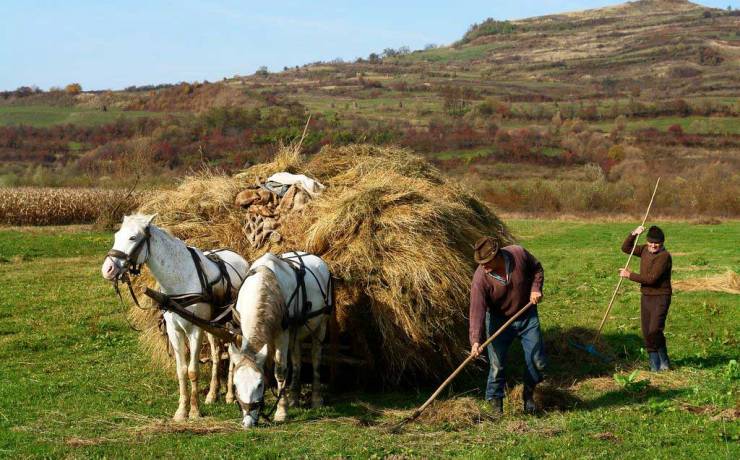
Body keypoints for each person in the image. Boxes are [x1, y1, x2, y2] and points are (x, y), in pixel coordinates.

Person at [469, 236, 545, 416]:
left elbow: (537, 268)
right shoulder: (481, 279)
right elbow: (477, 310)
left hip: (526, 316)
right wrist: (475, 340)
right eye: (480, 262)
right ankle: (495, 406)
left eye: (487, 261)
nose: (483, 266)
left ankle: (529, 397)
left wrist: (536, 288)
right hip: (498, 320)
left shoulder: (518, 254)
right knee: (497, 365)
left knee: (536, 360)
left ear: (498, 255)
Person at [619, 225, 672, 372]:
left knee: (655, 330)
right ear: (647, 241)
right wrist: (634, 233)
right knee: (647, 331)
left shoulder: (664, 256)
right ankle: (657, 365)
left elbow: (651, 279)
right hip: (646, 296)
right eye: (651, 242)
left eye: (657, 243)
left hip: (661, 297)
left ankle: (662, 362)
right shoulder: (643, 250)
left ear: (661, 243)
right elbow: (626, 248)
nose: (653, 245)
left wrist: (630, 275)